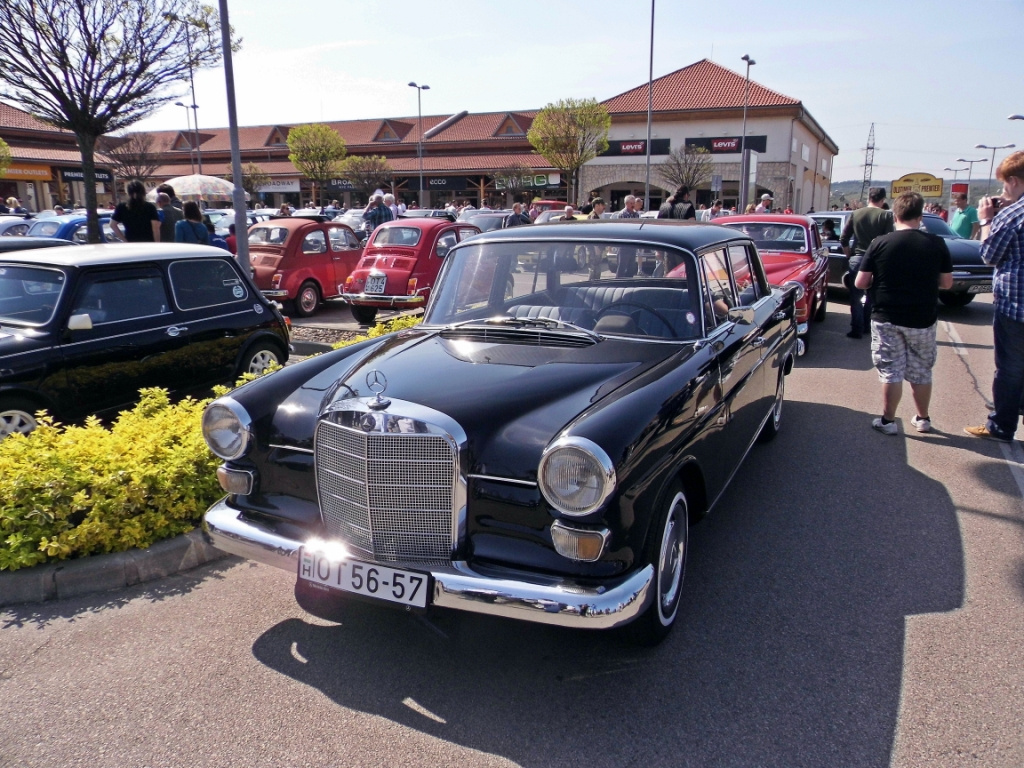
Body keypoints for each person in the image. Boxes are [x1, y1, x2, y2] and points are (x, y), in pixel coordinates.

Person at [853, 192, 953, 435]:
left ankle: (888, 421)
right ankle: (923, 419)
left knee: (890, 370)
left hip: (887, 316)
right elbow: (947, 283)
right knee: (921, 370)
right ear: (920, 217)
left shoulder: (880, 243)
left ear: (894, 215)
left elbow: (860, 282)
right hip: (922, 318)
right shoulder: (936, 243)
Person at [965, 151, 1024, 442]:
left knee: (1010, 367)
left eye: (1004, 185)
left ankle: (1001, 425)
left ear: (1014, 180)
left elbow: (989, 255)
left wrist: (987, 220)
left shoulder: (1012, 216)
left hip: (1016, 305)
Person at [840, 186, 894, 338]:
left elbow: (843, 238)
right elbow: (889, 240)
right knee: (872, 296)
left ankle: (856, 329)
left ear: (869, 198)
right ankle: (867, 327)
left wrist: (849, 255)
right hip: (877, 260)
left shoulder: (856, 213)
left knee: (855, 296)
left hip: (857, 259)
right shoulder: (886, 216)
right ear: (883, 200)